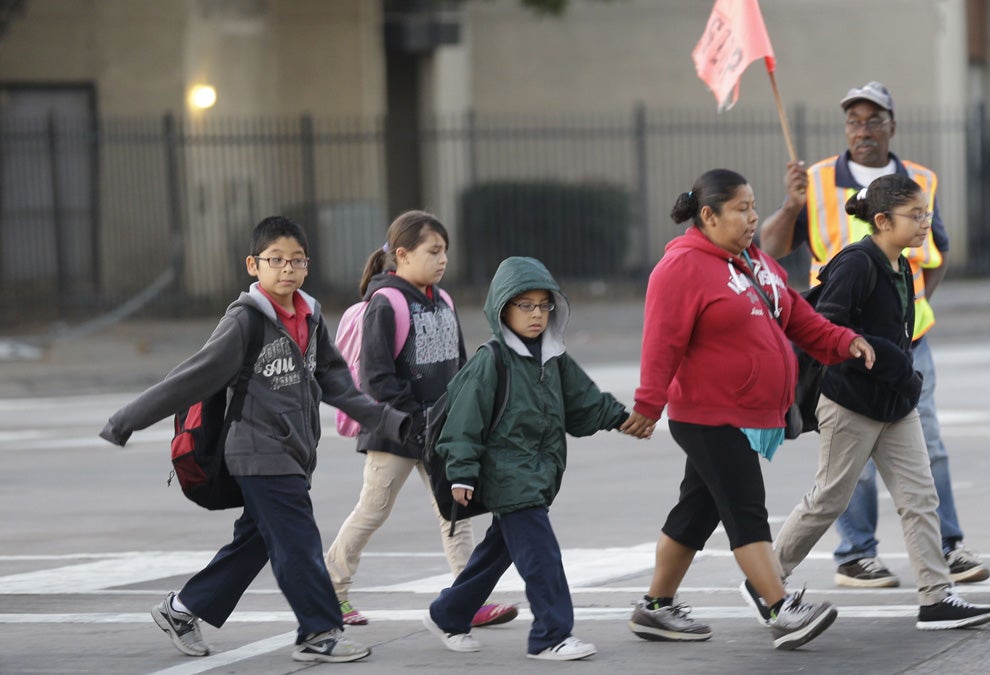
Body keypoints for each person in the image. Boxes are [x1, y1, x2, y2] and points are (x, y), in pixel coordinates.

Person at [99, 216, 412, 663]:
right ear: (254, 264)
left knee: (258, 540)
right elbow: (192, 377)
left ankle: (182, 609)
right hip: (256, 451)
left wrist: (388, 420)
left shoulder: (310, 315)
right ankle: (318, 632)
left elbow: (338, 383)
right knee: (298, 541)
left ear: (307, 265)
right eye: (276, 260)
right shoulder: (245, 321)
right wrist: (126, 420)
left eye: (296, 260)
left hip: (294, 453)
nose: (287, 269)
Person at [624, 168, 876, 651]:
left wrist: (847, 341)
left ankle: (655, 608)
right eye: (741, 208)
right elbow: (662, 342)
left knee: (695, 514)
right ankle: (781, 608)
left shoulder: (757, 263)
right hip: (706, 413)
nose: (752, 216)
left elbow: (801, 319)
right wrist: (648, 404)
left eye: (753, 206)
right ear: (708, 215)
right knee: (745, 510)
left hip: (744, 413)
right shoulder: (680, 267)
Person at [759, 81, 990, 588]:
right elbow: (774, 251)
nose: (862, 130)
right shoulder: (821, 188)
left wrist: (901, 317)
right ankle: (832, 560)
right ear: (882, 220)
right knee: (836, 488)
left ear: (891, 124)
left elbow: (940, 252)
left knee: (922, 471)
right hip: (847, 361)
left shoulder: (918, 181)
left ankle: (938, 586)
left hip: (903, 353)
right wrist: (791, 204)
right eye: (853, 121)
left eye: (872, 119)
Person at [422, 256, 650, 662]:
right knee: (542, 557)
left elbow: (584, 401)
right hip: (508, 477)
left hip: (536, 474)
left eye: (544, 305)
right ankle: (550, 635)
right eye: (524, 305)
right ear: (502, 307)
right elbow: (463, 423)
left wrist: (622, 419)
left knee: (498, 552)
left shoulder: (553, 356)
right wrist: (462, 473)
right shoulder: (491, 360)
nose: (536, 314)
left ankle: (447, 613)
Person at [323, 211, 518, 629]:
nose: (442, 259)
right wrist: (413, 421)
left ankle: (467, 598)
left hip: (442, 434)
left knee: (456, 513)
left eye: (445, 250)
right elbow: (376, 379)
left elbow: (461, 368)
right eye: (433, 251)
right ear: (402, 255)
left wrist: (468, 414)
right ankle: (330, 591)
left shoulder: (442, 300)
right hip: (394, 434)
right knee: (371, 512)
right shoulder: (385, 303)